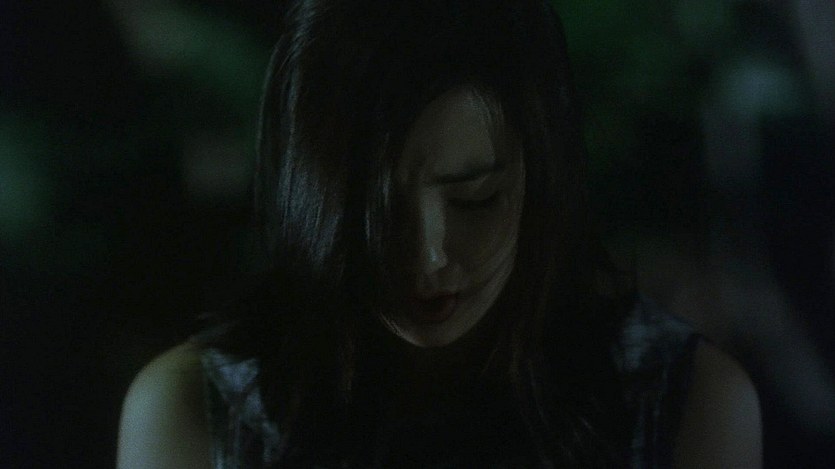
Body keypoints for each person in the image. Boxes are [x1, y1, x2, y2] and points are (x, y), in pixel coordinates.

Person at [117, 1, 762, 467]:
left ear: (542, 181)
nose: (429, 256)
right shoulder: (201, 416)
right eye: (380, 211)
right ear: (312, 195)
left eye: (476, 200)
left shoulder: (680, 405)